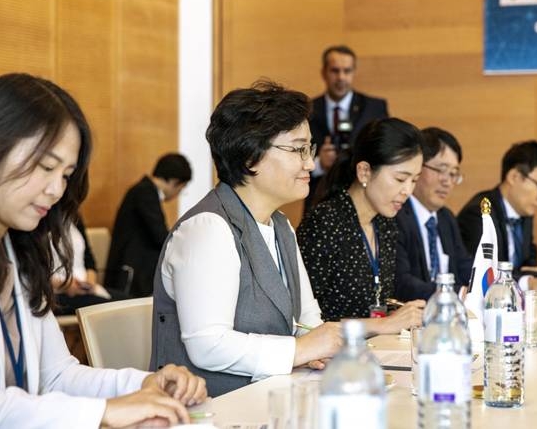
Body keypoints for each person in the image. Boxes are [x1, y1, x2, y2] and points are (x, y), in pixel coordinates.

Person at [0, 73, 206, 428]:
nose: (55, 190)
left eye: (66, 174)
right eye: (46, 167)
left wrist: (142, 383)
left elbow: (58, 376)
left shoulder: (20, 254)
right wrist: (104, 413)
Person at [150, 80, 341, 397]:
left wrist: (319, 345)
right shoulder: (207, 228)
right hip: (207, 410)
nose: (310, 163)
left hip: (270, 400)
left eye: (310, 149)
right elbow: (208, 345)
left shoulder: (281, 227)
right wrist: (300, 350)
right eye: (298, 149)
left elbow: (307, 323)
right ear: (251, 158)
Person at [297, 117, 426, 327]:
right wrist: (385, 324)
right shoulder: (325, 224)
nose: (408, 191)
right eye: (400, 179)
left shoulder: (385, 224)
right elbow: (302, 321)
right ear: (364, 171)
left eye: (414, 180)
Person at [458, 140, 537, 293]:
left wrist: (535, 274)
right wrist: (528, 282)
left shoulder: (524, 211)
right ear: (514, 176)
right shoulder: (479, 214)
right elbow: (486, 273)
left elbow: (529, 256)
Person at [305, 45, 389, 211]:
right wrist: (319, 163)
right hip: (319, 201)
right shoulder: (308, 110)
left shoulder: (374, 108)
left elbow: (385, 154)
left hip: (363, 201)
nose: (341, 77)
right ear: (324, 72)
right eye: (335, 71)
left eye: (347, 71)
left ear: (354, 72)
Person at [395, 127, 473, 301]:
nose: (447, 181)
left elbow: (465, 267)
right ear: (417, 166)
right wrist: (457, 294)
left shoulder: (446, 218)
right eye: (440, 169)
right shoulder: (396, 214)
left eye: (453, 174)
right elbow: (401, 282)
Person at [105, 153, 192, 297]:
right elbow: (160, 237)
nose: (177, 194)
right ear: (174, 181)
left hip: (135, 269)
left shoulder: (145, 190)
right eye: (181, 188)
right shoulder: (145, 192)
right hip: (129, 274)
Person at [51, 215, 114, 315]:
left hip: (83, 287)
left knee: (131, 302)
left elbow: (89, 260)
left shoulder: (75, 217)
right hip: (55, 292)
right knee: (113, 309)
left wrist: (90, 282)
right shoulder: (38, 220)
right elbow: (32, 272)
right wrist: (66, 285)